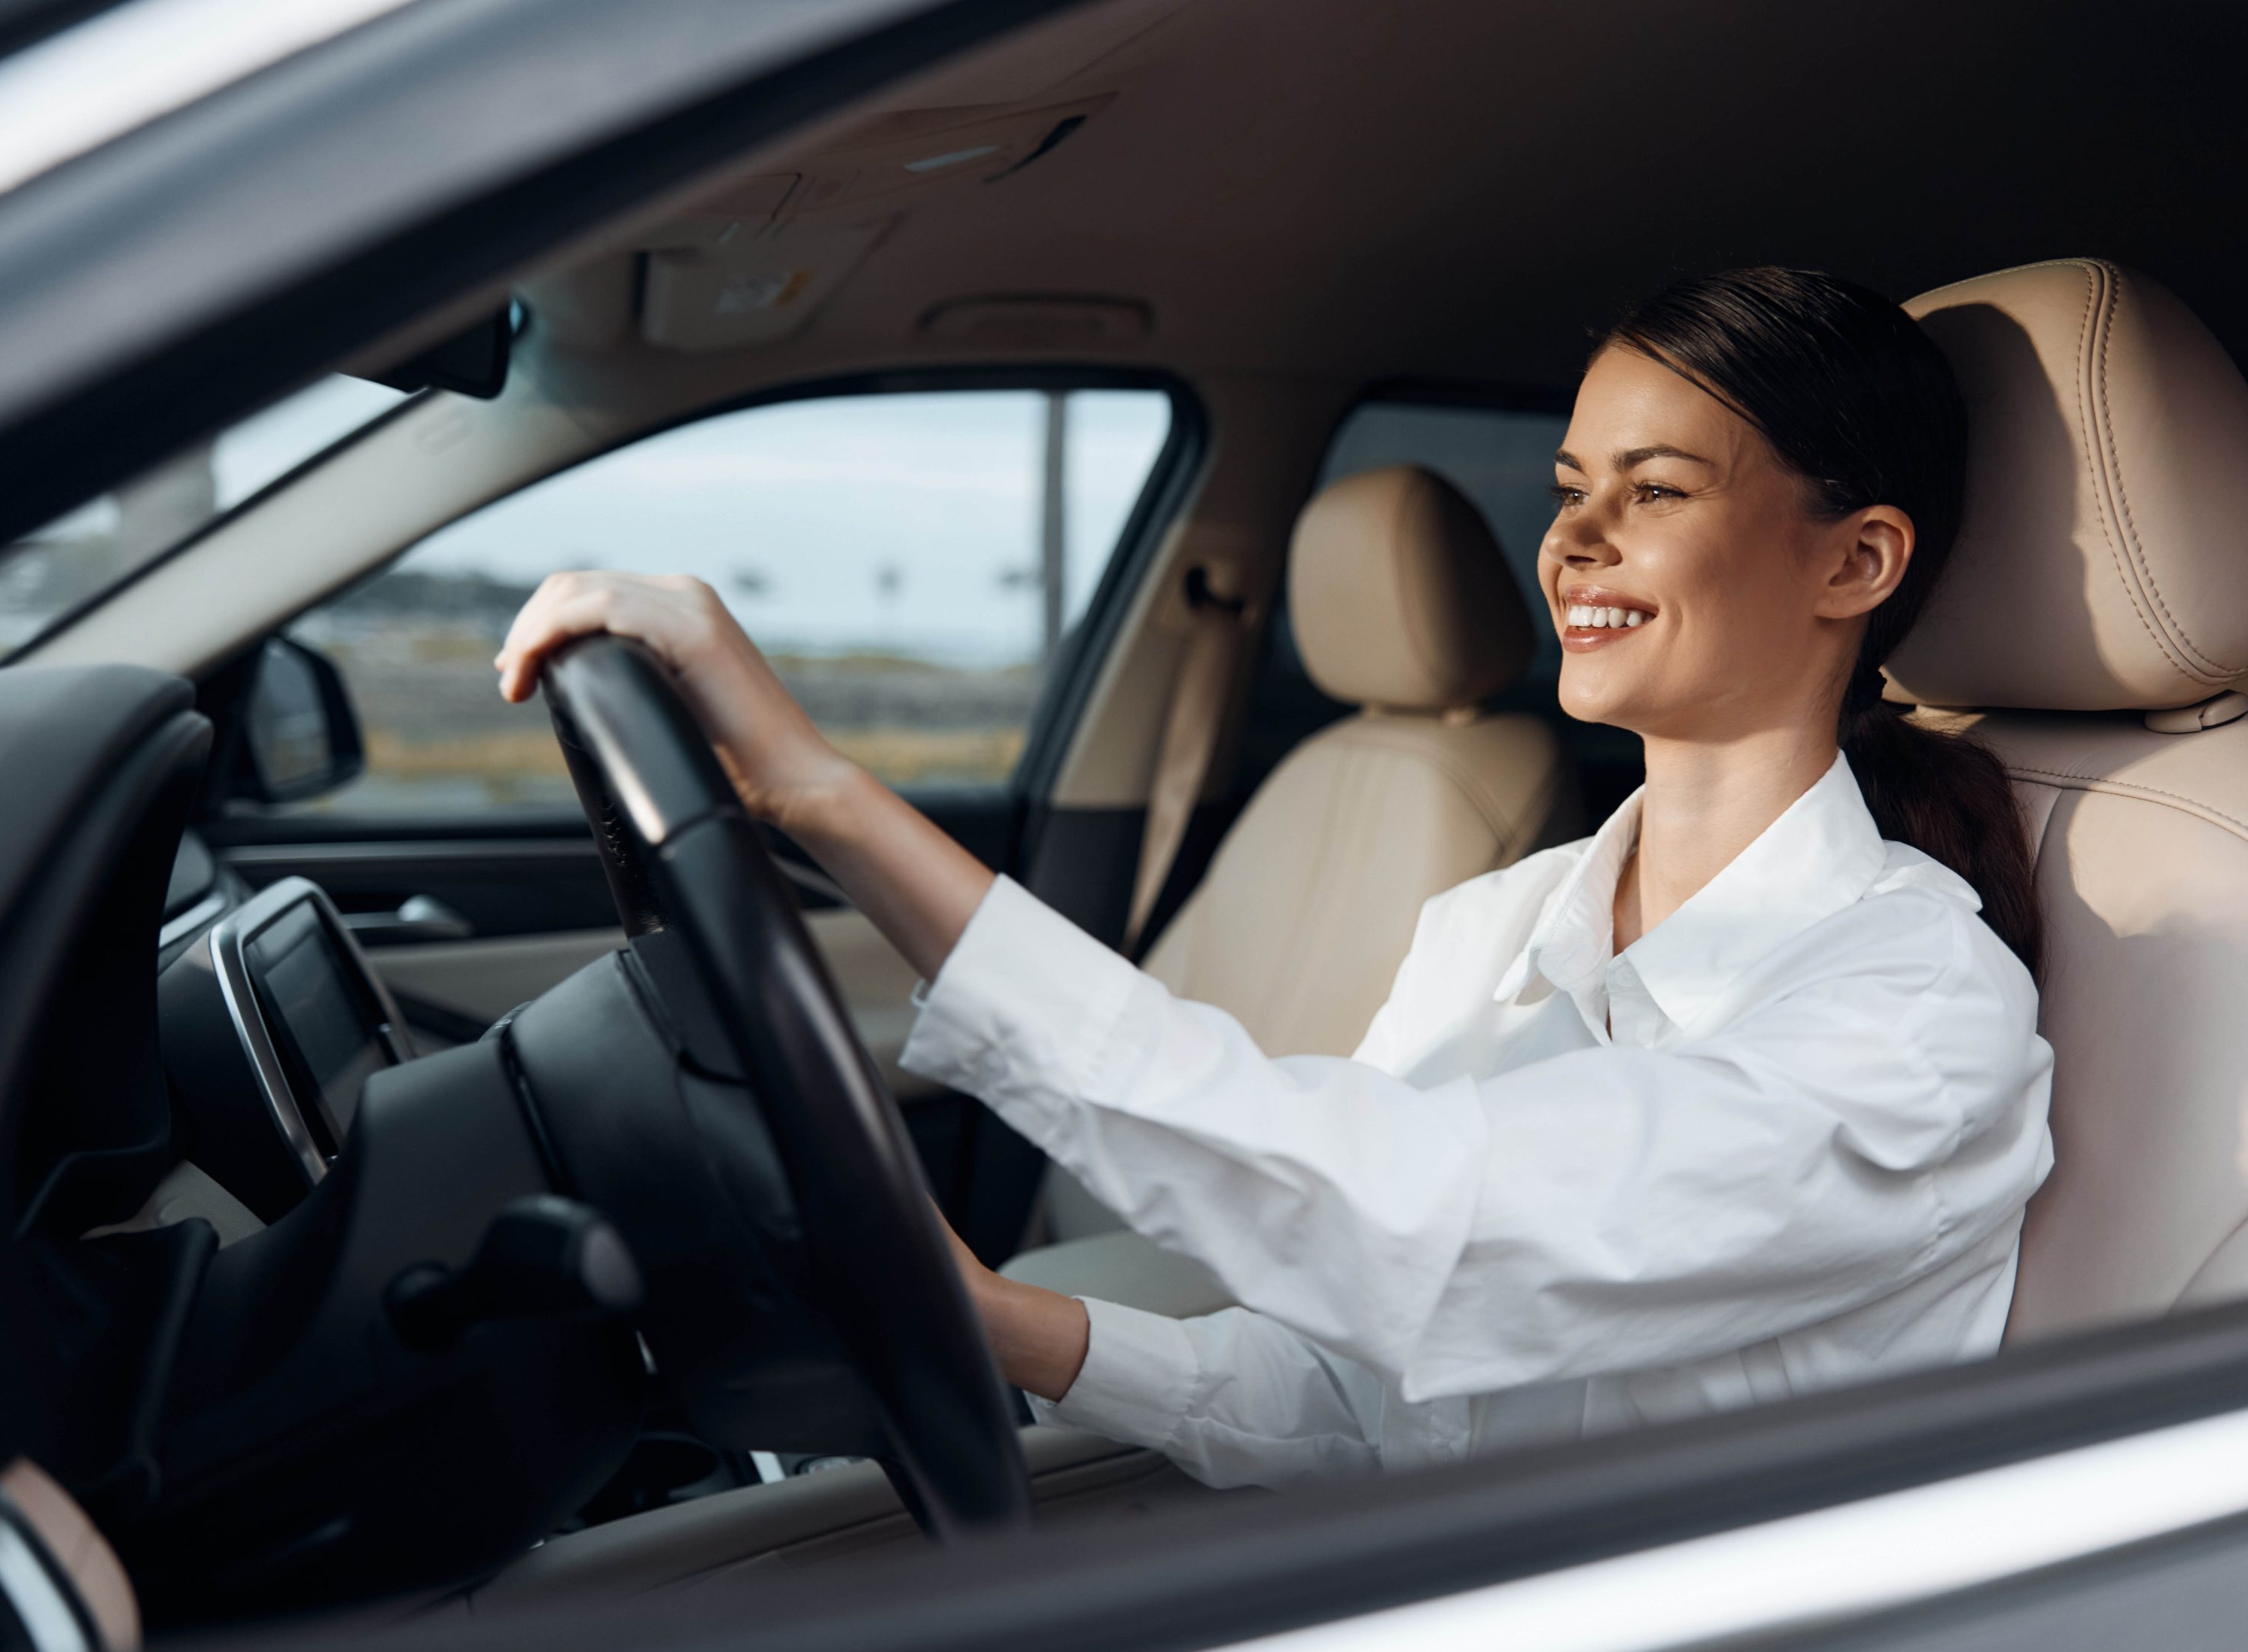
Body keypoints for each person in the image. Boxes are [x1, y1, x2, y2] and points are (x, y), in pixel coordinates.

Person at [494, 268, 2055, 1490]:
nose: (1573, 537)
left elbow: (1401, 1217)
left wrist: (828, 796)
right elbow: (1352, 1396)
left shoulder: (1918, 1016)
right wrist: (990, 1318)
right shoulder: (1494, 926)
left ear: (1855, 562)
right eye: (1571, 484)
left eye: (1655, 491)